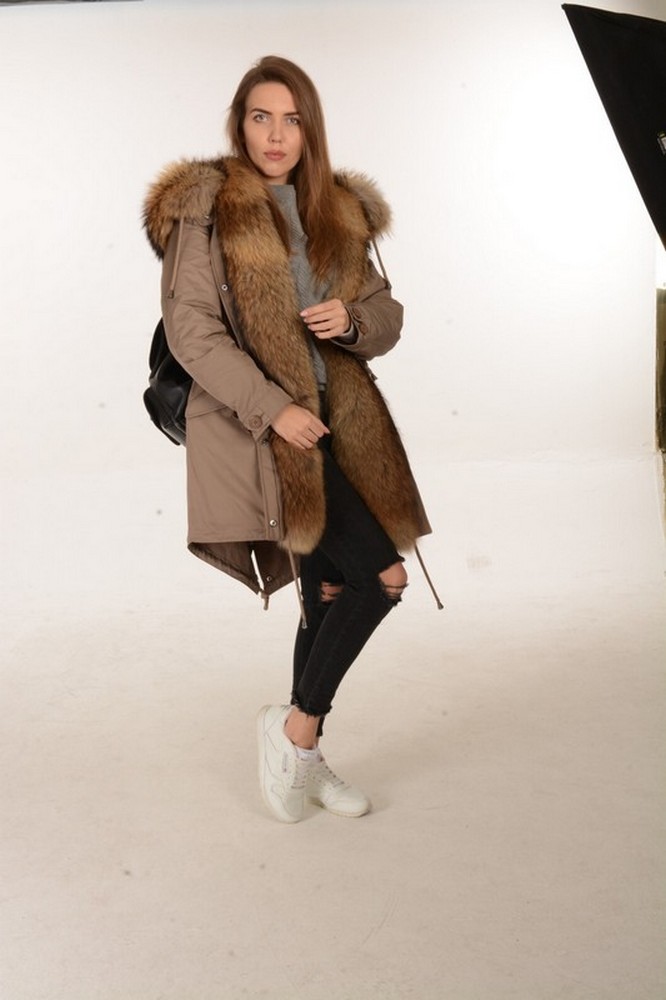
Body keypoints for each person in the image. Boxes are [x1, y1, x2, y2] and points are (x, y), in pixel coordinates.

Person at [143, 55, 436, 824]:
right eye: (260, 117)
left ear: (311, 129)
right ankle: (296, 731)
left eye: (292, 119)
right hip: (268, 432)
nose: (276, 135)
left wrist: (353, 320)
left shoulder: (336, 209)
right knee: (382, 579)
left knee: (330, 591)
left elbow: (387, 312)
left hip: (344, 428)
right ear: (239, 125)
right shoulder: (206, 208)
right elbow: (193, 331)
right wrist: (275, 409)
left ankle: (303, 756)